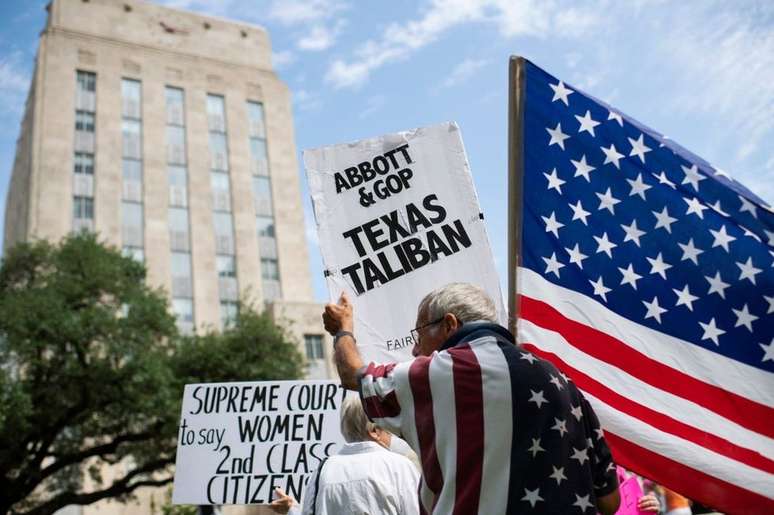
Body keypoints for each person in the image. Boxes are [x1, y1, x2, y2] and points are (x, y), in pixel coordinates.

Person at [323, 282, 621, 514]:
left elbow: (354, 376)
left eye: (420, 334)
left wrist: (342, 330)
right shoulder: (565, 384)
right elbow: (609, 501)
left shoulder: (439, 373)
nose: (415, 350)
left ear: (450, 324)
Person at [269, 395, 420, 515]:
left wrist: (291, 509)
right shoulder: (400, 466)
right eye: (389, 429)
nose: (393, 436)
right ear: (374, 431)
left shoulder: (323, 470)